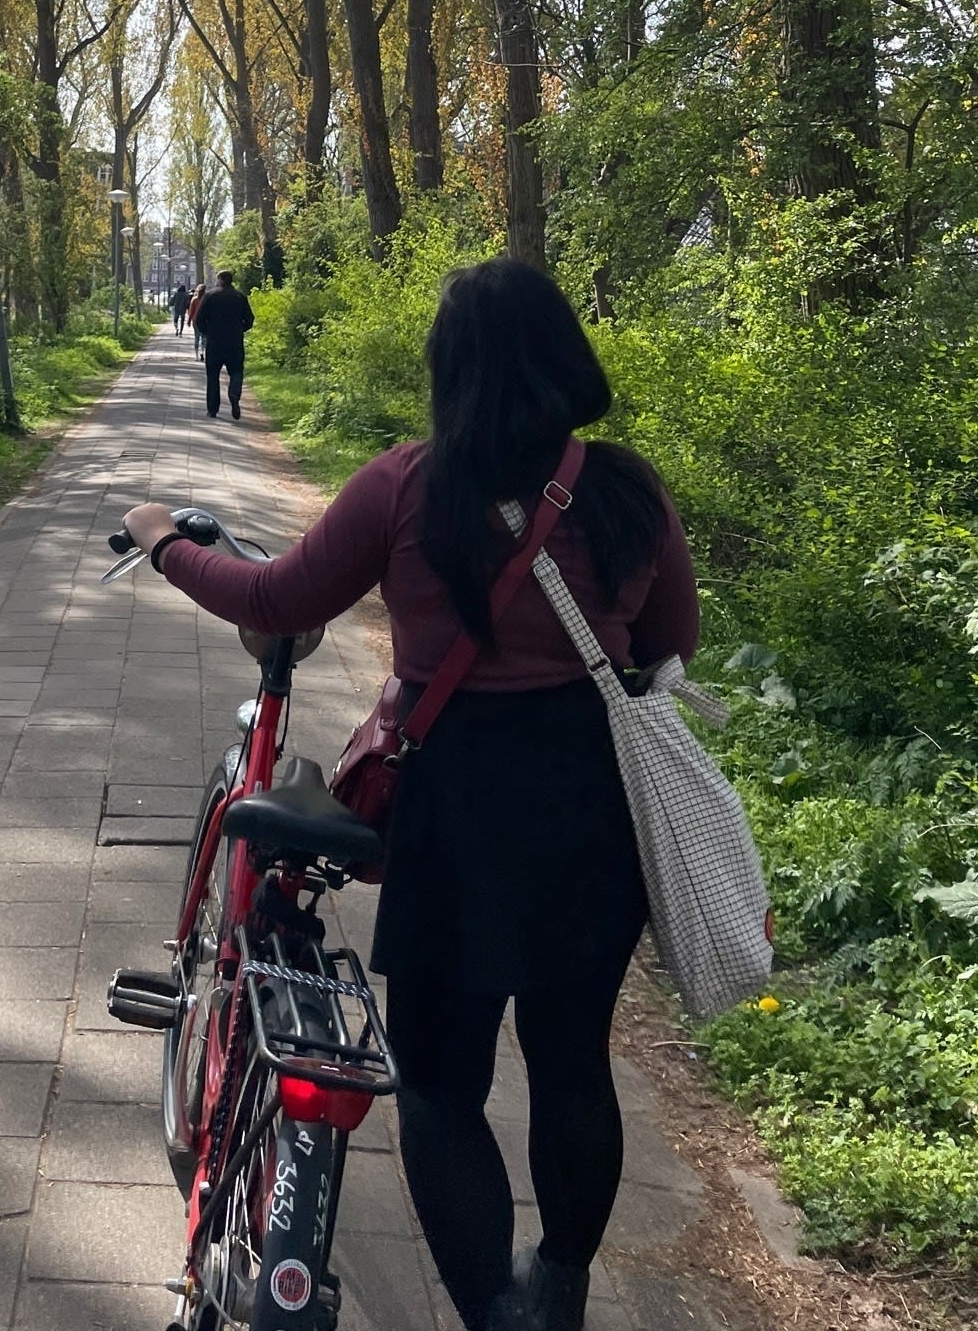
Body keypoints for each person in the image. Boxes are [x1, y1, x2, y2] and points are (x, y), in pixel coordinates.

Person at [117, 258, 699, 1331]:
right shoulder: (628, 492)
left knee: (440, 1084)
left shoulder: (409, 486)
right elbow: (671, 649)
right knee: (574, 1064)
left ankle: (492, 1312)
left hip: (457, 816)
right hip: (592, 814)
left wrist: (161, 543)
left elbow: (276, 597)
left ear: (453, 370)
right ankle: (558, 1287)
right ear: (568, 357)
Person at [191, 266, 256, 420]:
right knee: (236, 371)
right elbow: (250, 319)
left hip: (214, 343)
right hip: (234, 342)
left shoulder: (210, 296)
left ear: (219, 280)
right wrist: (240, 329)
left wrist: (207, 331)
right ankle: (234, 393)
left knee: (212, 375)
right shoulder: (240, 297)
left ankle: (213, 409)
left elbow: (199, 318)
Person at [186, 280, 206, 356]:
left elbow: (191, 311)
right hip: (205, 320)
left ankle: (196, 355)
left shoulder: (194, 299)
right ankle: (203, 352)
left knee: (196, 336)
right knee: (204, 337)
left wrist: (189, 320)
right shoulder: (207, 298)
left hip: (196, 320)